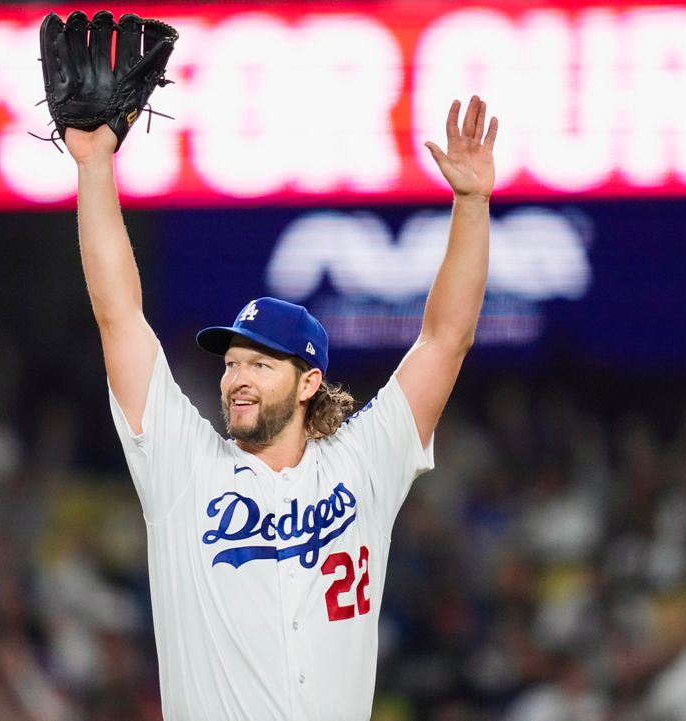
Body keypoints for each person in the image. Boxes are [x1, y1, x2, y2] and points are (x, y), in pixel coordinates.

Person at [63, 95, 498, 720]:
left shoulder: (363, 463)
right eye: (232, 362)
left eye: (261, 365)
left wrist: (473, 205)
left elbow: (444, 339)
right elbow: (119, 316)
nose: (238, 377)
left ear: (308, 382)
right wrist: (94, 166)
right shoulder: (183, 467)